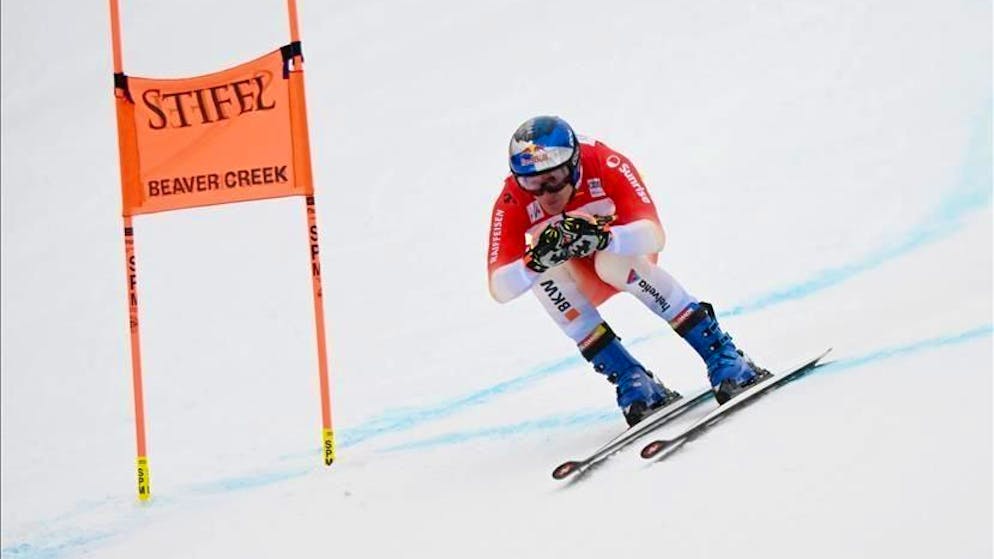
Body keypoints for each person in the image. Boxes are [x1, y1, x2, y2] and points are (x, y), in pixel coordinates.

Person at [486, 115, 768, 426]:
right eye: (531, 183)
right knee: (541, 275)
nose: (545, 193)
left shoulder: (606, 163)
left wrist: (606, 237)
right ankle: (632, 379)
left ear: (576, 163)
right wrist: (534, 262)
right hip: (582, 280)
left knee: (612, 263)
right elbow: (501, 287)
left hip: (627, 258)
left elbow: (653, 234)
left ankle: (723, 355)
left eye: (554, 177)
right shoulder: (512, 198)